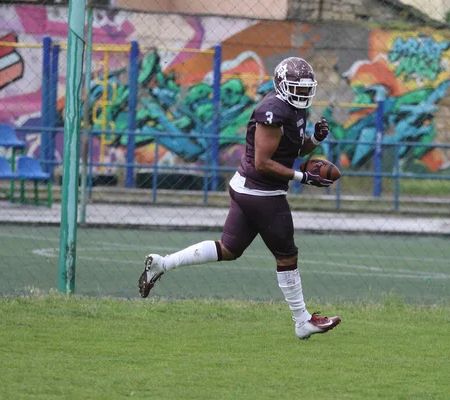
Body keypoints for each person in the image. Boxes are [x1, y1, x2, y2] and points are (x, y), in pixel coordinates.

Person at [138, 57, 341, 340]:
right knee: (287, 256)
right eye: (297, 88)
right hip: (261, 192)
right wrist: (302, 178)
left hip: (252, 189)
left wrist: (315, 141)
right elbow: (263, 162)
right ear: (282, 86)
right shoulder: (272, 112)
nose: (303, 94)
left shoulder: (294, 109)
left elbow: (291, 152)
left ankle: (163, 263)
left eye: (306, 89)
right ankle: (302, 320)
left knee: (229, 249)